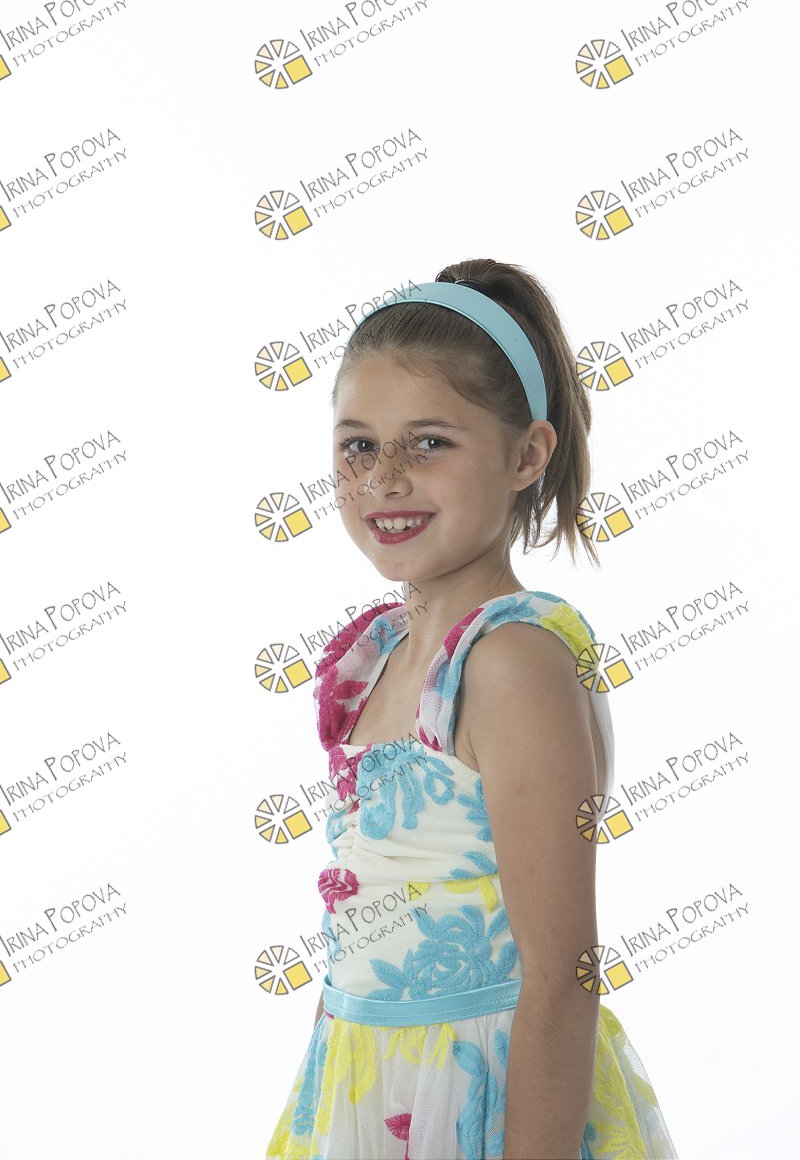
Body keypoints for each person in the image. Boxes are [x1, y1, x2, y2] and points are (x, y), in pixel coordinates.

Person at [265, 260, 678, 1159]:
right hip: (365, 1084)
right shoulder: (381, 654)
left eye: (429, 443)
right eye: (358, 445)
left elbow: (562, 980)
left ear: (526, 455)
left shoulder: (513, 663)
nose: (384, 478)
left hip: (484, 1093)